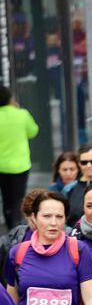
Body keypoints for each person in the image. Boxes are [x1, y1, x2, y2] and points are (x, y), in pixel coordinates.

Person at [0, 86, 38, 230]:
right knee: (18, 198)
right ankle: (17, 226)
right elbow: (33, 131)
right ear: (10, 99)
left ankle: (10, 224)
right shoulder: (22, 114)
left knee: (6, 198)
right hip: (20, 164)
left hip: (1, 166)